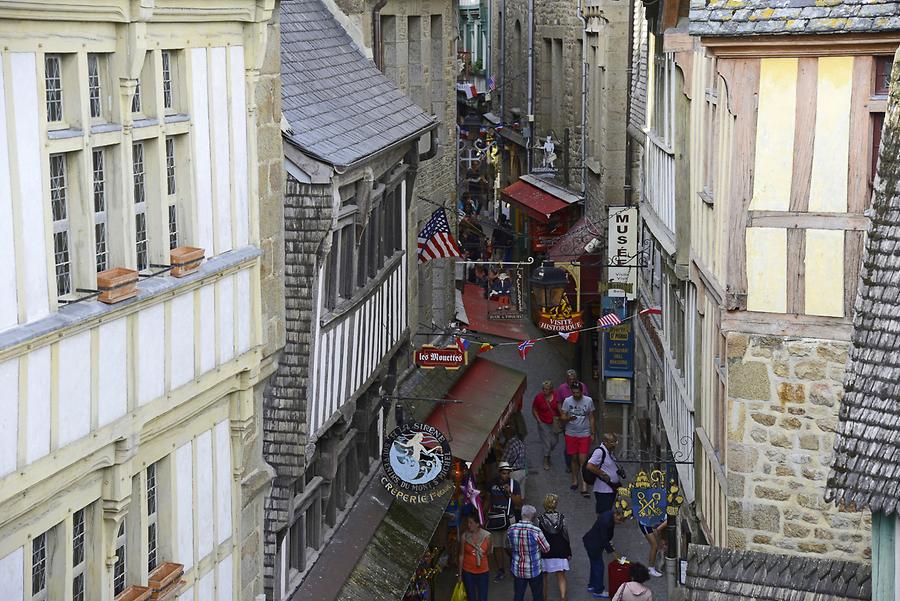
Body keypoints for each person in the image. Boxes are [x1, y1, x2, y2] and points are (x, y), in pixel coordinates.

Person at [485, 462, 523, 582]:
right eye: (503, 473)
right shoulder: (491, 483)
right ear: (499, 472)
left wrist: (509, 494)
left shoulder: (514, 484)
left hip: (508, 518)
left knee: (509, 546)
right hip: (495, 517)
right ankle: (501, 570)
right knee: (497, 546)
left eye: (507, 473)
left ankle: (514, 563)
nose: (505, 475)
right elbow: (487, 499)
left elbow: (519, 503)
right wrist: (483, 516)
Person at [507, 504, 550, 601]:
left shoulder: (511, 529)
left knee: (518, 595)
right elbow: (546, 549)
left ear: (522, 514)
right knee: (537, 596)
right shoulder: (536, 531)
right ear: (533, 516)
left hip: (518, 569)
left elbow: (510, 546)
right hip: (534, 569)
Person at [560, 382, 595, 496]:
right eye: (574, 393)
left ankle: (584, 484)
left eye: (578, 392)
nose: (576, 395)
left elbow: (591, 417)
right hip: (571, 433)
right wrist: (569, 418)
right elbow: (562, 416)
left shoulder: (588, 401)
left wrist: (592, 433)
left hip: (584, 434)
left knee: (583, 460)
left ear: (581, 391)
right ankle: (575, 479)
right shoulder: (567, 401)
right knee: (574, 458)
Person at [536, 494, 572, 601]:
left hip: (545, 551)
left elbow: (538, 537)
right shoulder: (562, 518)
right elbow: (566, 535)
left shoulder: (539, 520)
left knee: (543, 577)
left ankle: (544, 598)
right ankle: (563, 597)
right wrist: (568, 551)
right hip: (560, 550)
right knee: (561, 575)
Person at [583, 509, 625, 598]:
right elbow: (604, 538)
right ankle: (598, 590)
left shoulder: (609, 516)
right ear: (616, 514)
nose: (620, 522)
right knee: (599, 567)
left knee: (594, 564)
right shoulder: (606, 521)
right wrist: (614, 553)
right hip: (594, 545)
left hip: (591, 542)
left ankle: (592, 585)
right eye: (619, 520)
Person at [557, 371, 590, 473]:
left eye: (573, 379)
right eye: (570, 379)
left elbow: (587, 402)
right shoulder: (562, 388)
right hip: (568, 422)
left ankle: (582, 465)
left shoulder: (583, 386)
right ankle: (569, 464)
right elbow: (559, 403)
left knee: (582, 446)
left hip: (582, 422)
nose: (572, 381)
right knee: (569, 445)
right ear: (566, 379)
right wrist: (563, 414)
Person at [585, 433, 624, 514]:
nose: (614, 445)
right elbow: (589, 466)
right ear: (605, 442)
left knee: (608, 511)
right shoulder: (599, 452)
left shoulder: (610, 452)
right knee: (604, 513)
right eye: (612, 442)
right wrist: (602, 474)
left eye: (615, 442)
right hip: (603, 490)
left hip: (611, 489)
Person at [458, 513, 492, 601]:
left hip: (483, 572)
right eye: (468, 523)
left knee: (483, 598)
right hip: (468, 572)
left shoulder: (487, 536)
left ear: (477, 524)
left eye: (471, 523)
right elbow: (461, 555)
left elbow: (488, 553)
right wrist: (460, 574)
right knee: (471, 597)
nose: (468, 525)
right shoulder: (464, 536)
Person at [532, 380, 560, 471]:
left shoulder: (556, 396)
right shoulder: (539, 397)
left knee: (554, 441)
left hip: (555, 422)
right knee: (547, 443)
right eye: (544, 389)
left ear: (551, 389)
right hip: (543, 423)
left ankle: (547, 453)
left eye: (547, 389)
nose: (545, 391)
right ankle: (546, 459)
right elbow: (534, 409)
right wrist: (539, 420)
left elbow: (560, 407)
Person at [501, 423, 528, 498]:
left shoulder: (510, 444)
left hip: (514, 473)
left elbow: (504, 461)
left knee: (512, 495)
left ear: (508, 434)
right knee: (521, 496)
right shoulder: (520, 442)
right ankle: (520, 509)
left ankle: (514, 509)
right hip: (523, 471)